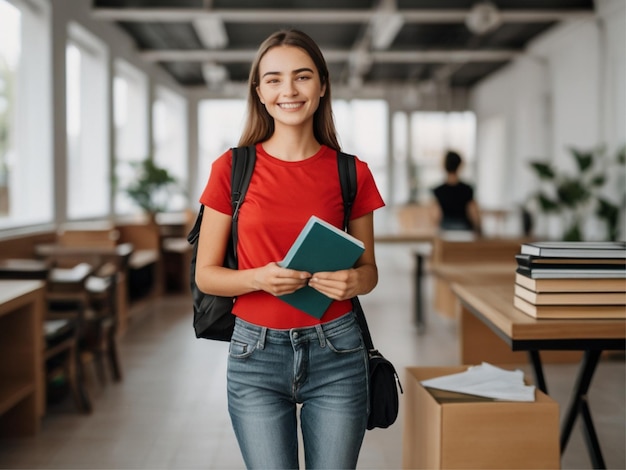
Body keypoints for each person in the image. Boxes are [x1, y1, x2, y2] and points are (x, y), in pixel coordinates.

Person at [195, 29, 385, 469]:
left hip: (337, 350)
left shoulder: (351, 172)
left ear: (321, 86)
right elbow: (207, 274)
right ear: (259, 92)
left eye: (302, 77)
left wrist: (354, 279)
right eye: (274, 79)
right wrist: (259, 278)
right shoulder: (231, 168)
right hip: (254, 356)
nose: (289, 90)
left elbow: (370, 271)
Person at [431, 150, 482, 236]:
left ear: (444, 166)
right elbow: (473, 213)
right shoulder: (467, 189)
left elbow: (436, 216)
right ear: (460, 165)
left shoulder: (438, 190)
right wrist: (479, 230)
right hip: (465, 231)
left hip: (446, 231)